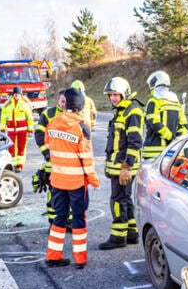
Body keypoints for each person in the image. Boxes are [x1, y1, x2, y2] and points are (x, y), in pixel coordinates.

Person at [44, 87, 100, 269]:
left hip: (58, 181)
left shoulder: (53, 123)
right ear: (80, 106)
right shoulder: (81, 127)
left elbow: (48, 144)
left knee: (59, 217)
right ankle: (80, 259)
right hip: (76, 183)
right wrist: (93, 179)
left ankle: (53, 257)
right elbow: (87, 158)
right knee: (78, 218)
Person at [99, 76, 143, 250]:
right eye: (110, 95)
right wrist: (108, 162)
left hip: (123, 166)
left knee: (117, 200)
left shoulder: (132, 112)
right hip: (117, 165)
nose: (113, 98)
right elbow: (114, 142)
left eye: (116, 95)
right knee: (125, 199)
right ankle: (131, 233)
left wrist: (126, 167)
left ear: (124, 93)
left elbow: (135, 142)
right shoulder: (121, 111)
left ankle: (118, 237)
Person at [33, 89, 67, 223]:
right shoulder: (48, 114)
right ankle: (54, 222)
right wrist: (47, 154)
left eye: (67, 101)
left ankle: (68, 222)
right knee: (54, 193)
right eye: (62, 101)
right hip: (52, 163)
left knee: (70, 193)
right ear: (57, 101)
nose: (65, 104)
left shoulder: (74, 114)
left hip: (69, 164)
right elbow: (39, 134)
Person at [143, 70, 188, 160]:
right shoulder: (176, 103)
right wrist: (176, 141)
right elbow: (184, 127)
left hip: (153, 152)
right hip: (172, 152)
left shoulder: (154, 102)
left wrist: (170, 137)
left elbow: (155, 123)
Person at [0, 86, 35, 172]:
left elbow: (29, 118)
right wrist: (2, 130)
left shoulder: (25, 104)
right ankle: (13, 165)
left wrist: (30, 130)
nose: (16, 95)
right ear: (13, 94)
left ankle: (20, 165)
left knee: (21, 148)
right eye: (15, 93)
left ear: (21, 95)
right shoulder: (7, 105)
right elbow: (3, 118)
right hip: (11, 131)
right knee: (11, 148)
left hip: (22, 131)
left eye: (18, 94)